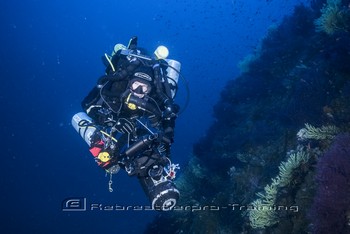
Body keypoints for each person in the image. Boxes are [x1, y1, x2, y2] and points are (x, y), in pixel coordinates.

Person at [72, 36, 181, 211]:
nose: (139, 92)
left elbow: (169, 114)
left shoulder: (154, 98)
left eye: (144, 88)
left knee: (147, 141)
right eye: (136, 85)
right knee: (102, 146)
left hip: (136, 125)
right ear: (128, 83)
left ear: (151, 90)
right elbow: (87, 105)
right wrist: (109, 120)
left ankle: (154, 176)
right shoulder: (115, 88)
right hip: (114, 118)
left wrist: (167, 140)